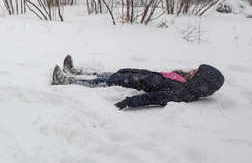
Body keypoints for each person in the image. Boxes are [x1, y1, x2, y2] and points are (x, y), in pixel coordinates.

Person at [51, 55, 225, 109]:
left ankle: (68, 81)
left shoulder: (183, 92)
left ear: (201, 82)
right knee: (105, 74)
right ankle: (75, 72)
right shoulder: (183, 80)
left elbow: (155, 97)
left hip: (133, 82)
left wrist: (128, 102)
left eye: (196, 72)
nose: (192, 70)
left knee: (101, 81)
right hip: (136, 76)